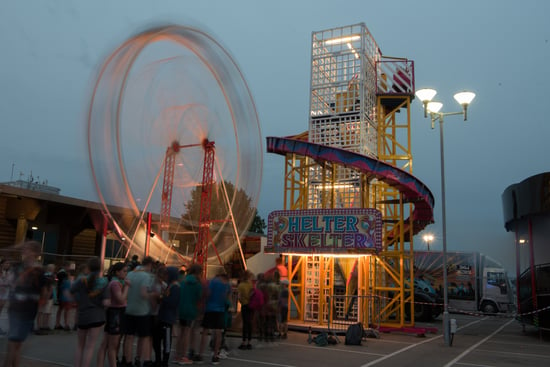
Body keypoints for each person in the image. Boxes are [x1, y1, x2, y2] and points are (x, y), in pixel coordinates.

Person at [3, 241, 49, 367]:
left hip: (28, 311)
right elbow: (5, 252)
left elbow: (44, 292)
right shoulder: (18, 266)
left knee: (16, 345)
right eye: (24, 249)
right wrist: (18, 246)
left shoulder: (39, 271)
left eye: (28, 249)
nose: (25, 251)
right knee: (13, 344)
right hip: (15, 309)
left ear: (35, 253)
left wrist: (40, 305)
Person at [70, 257, 109, 367]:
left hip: (83, 315)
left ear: (88, 267)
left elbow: (71, 292)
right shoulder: (104, 282)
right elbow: (106, 302)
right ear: (101, 268)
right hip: (97, 316)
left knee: (80, 345)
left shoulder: (81, 280)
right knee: (90, 346)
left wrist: (78, 301)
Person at [122, 256, 156, 367]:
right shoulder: (146, 276)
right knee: (144, 337)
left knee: (129, 337)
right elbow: (144, 294)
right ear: (150, 265)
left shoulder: (130, 274)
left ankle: (128, 361)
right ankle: (143, 359)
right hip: (142, 311)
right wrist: (154, 294)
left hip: (129, 309)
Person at [97, 262, 130, 367]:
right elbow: (120, 299)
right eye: (124, 271)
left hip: (115, 313)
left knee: (106, 344)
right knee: (112, 346)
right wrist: (127, 288)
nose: (126, 273)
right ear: (117, 272)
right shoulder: (115, 283)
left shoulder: (117, 282)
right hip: (116, 313)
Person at [198, 270, 231, 365]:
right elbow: (227, 297)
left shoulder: (212, 281)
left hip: (209, 309)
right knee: (218, 333)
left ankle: (200, 354)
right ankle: (215, 356)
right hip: (220, 310)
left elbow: (207, 293)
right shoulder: (227, 284)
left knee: (205, 331)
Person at [174, 264, 203, 365]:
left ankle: (177, 355)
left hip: (181, 309)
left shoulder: (183, 281)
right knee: (187, 333)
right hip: (190, 310)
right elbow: (199, 298)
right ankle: (183, 356)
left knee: (180, 333)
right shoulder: (197, 284)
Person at [155, 266, 180, 366]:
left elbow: (172, 302)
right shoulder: (169, 286)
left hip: (168, 318)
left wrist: (162, 298)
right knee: (156, 340)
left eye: (167, 274)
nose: (165, 276)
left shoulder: (175, 287)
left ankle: (164, 362)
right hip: (162, 316)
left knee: (166, 342)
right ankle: (158, 360)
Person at [237, 271, 254, 350]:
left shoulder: (241, 285)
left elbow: (239, 296)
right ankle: (249, 342)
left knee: (245, 323)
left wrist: (242, 301)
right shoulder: (251, 285)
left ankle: (243, 342)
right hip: (251, 305)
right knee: (250, 323)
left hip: (244, 305)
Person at [0, 260, 12, 335]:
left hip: (4, 294)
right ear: (2, 264)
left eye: (8, 263)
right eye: (6, 263)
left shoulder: (8, 273)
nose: (8, 265)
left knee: (0, 311)